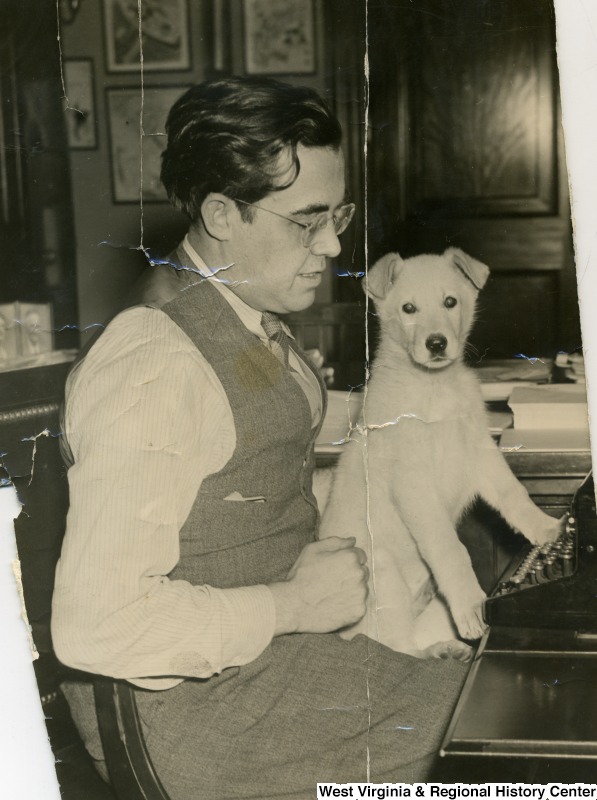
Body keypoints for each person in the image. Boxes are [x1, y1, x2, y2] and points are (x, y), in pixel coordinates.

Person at [52, 76, 468, 799]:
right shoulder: (154, 363)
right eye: (306, 221)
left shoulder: (236, 313)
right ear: (221, 214)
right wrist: (293, 604)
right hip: (203, 713)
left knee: (493, 684)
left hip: (279, 658)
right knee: (496, 735)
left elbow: (250, 453)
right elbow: (96, 625)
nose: (333, 243)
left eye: (336, 213)